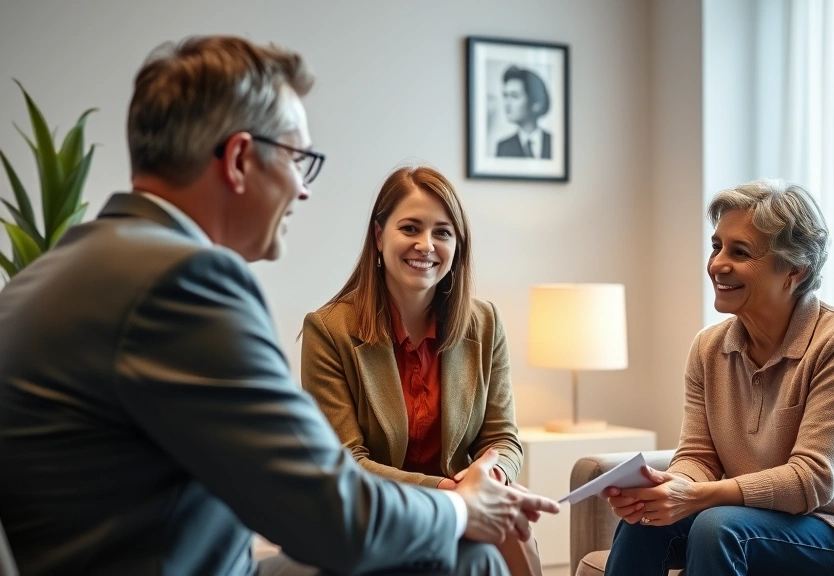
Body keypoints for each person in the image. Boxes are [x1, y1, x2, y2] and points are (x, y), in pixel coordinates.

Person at [0, 35, 558, 576]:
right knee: (468, 552)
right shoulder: (185, 281)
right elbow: (333, 512)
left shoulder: (43, 276)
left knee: (466, 555)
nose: (303, 188)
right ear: (240, 158)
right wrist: (463, 506)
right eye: (298, 159)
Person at [602, 179, 834, 576]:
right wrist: (668, 487)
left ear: (794, 270)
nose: (717, 264)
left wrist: (694, 496)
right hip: (758, 518)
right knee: (643, 521)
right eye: (716, 246)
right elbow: (698, 457)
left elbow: (812, 481)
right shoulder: (708, 348)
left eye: (739, 252)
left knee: (718, 526)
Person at [301, 165, 542, 576]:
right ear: (379, 237)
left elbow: (503, 437)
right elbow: (346, 461)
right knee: (496, 532)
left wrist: (491, 475)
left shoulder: (485, 324)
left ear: (457, 245)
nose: (425, 245)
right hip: (376, 513)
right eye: (410, 228)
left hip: (467, 510)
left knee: (511, 527)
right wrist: (452, 492)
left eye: (442, 232)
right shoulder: (328, 330)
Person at [495, 66, 551, 159]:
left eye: (514, 96)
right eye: (505, 96)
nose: (507, 104)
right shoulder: (503, 147)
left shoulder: (554, 142)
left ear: (535, 102)